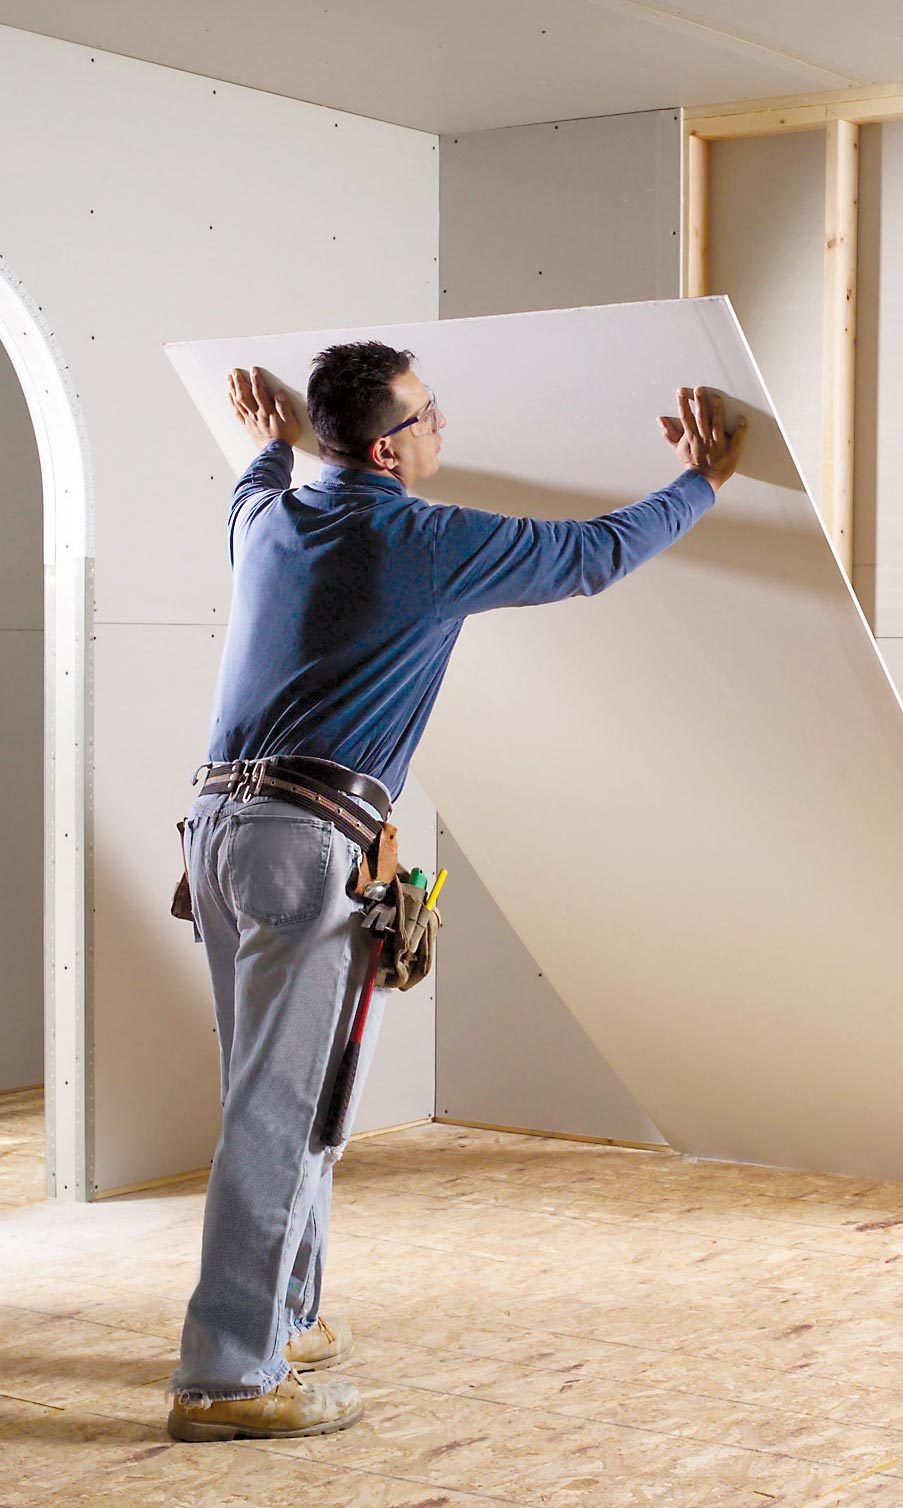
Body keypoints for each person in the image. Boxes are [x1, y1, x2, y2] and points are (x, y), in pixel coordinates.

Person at [166, 342, 746, 1442]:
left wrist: (269, 447)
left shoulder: (268, 519)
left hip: (219, 837)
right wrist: (701, 480)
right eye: (429, 414)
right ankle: (226, 1377)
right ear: (387, 449)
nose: (443, 426)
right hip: (303, 850)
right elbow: (594, 555)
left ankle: (283, 1317)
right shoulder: (423, 541)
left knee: (287, 1100)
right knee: (280, 1113)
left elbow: (252, 487)